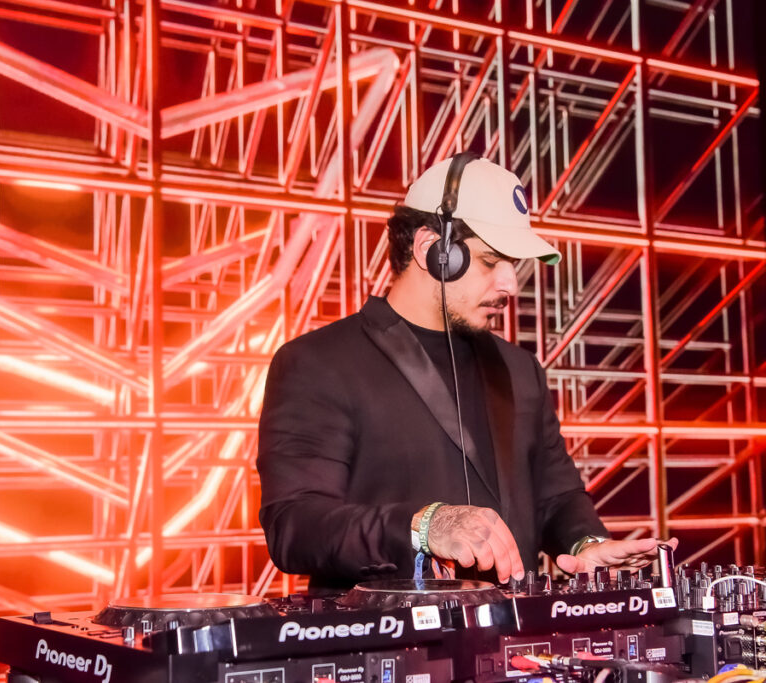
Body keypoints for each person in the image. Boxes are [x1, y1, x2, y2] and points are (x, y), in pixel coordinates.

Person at [256, 154, 675, 591]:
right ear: (431, 250)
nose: (511, 285)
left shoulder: (521, 369)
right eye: (491, 261)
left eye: (513, 265)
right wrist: (423, 527)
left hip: (514, 630)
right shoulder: (319, 362)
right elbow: (295, 525)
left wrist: (586, 544)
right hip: (390, 634)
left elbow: (556, 495)